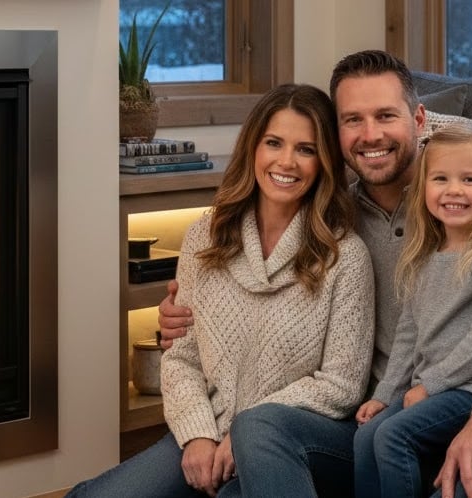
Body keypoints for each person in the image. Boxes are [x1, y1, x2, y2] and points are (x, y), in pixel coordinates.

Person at [157, 50, 472, 498]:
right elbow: (254, 289)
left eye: (385, 115)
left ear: (419, 119)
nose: (370, 135)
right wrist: (182, 314)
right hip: (374, 428)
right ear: (335, 135)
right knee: (258, 431)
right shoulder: (330, 218)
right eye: (352, 120)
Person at [68, 84, 375, 497]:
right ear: (253, 148)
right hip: (205, 427)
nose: (287, 161)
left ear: (324, 162)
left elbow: (341, 384)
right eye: (273, 143)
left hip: (287, 438)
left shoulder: (346, 257)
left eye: (306, 149)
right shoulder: (204, 237)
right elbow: (181, 358)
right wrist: (197, 436)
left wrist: (246, 432)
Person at [353, 121, 472, 498]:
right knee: (366, 437)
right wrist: (385, 393)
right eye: (440, 178)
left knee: (393, 436)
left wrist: (431, 386)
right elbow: (409, 333)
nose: (453, 190)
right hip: (434, 389)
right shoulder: (425, 256)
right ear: (423, 187)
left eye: (470, 180)